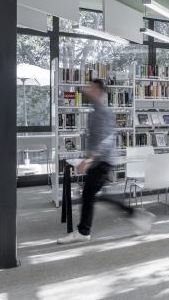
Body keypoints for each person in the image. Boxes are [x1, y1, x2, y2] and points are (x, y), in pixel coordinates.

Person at [58, 79, 135, 244]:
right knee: (92, 194)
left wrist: (87, 160)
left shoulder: (101, 112)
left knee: (89, 194)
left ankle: (83, 232)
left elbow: (104, 140)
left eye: (91, 88)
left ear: (99, 91)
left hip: (102, 161)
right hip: (100, 161)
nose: (87, 90)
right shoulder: (96, 111)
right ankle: (133, 214)